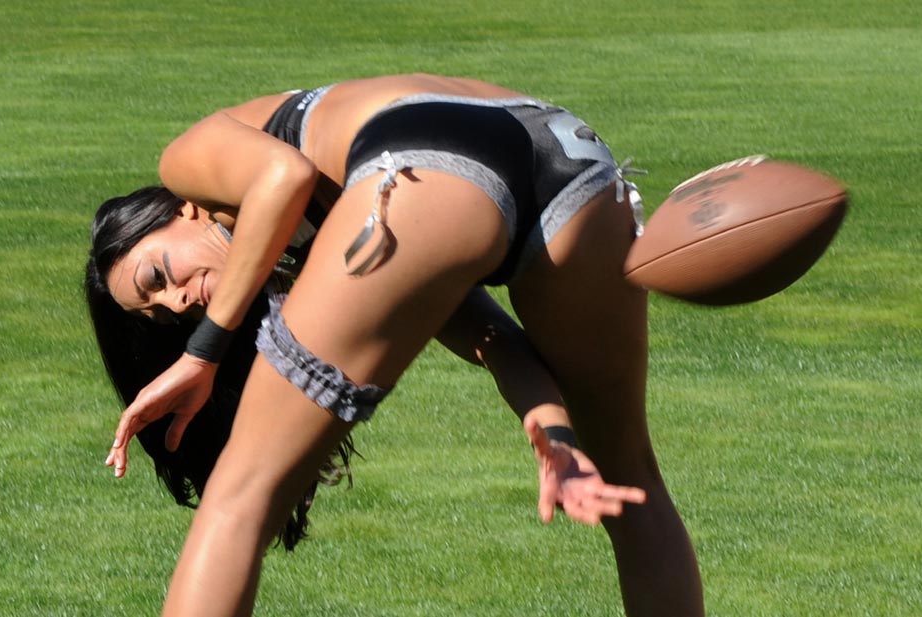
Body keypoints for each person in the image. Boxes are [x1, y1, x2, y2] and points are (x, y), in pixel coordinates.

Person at [90, 74, 703, 616]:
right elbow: (492, 340)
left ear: (185, 211)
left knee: (237, 500)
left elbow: (285, 176)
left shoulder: (184, 161)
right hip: (570, 155)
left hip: (423, 155)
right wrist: (555, 438)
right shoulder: (331, 233)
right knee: (631, 485)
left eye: (156, 276)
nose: (177, 302)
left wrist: (202, 352)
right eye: (161, 312)